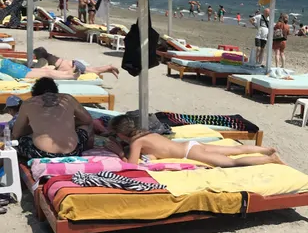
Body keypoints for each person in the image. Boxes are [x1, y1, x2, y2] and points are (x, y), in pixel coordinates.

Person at [108, 115, 281, 167]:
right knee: (236, 150)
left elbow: (131, 165)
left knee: (231, 163)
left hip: (189, 152)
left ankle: (270, 159)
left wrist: (119, 152)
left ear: (122, 134)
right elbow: (156, 151)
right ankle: (266, 149)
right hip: (192, 144)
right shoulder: (145, 133)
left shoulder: (136, 143)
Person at [13, 78, 94, 160]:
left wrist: (35, 127)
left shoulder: (28, 103)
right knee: (86, 126)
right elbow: (87, 120)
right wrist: (69, 124)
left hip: (41, 153)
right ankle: (90, 149)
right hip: (72, 151)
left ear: (34, 93)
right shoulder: (67, 99)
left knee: (18, 141)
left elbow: (16, 133)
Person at [33, 47, 119, 78]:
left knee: (95, 71)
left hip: (74, 67)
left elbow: (41, 68)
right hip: (74, 63)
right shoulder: (50, 56)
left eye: (36, 55)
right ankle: (109, 69)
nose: (35, 57)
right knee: (94, 70)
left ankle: (109, 67)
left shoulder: (44, 60)